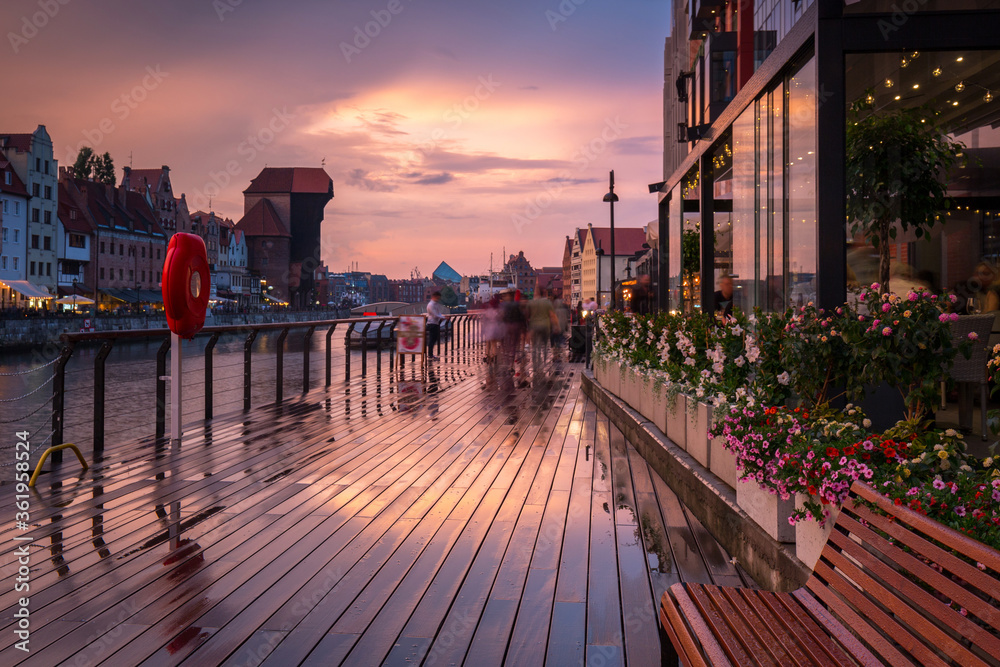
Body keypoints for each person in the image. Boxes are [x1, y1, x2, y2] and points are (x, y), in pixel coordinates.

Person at [527, 287, 557, 373]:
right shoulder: (547, 302)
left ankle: (536, 365)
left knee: (535, 347)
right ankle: (544, 363)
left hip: (534, 327)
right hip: (545, 326)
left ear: (536, 293)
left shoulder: (531, 303)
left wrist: (527, 330)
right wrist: (556, 326)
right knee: (545, 346)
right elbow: (552, 315)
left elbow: (526, 315)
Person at [425, 291, 446, 360]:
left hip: (435, 323)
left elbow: (438, 313)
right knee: (432, 339)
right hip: (432, 323)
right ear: (434, 297)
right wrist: (442, 317)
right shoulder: (431, 305)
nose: (438, 299)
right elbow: (435, 314)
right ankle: (430, 355)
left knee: (434, 338)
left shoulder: (435, 304)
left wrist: (442, 317)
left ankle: (430, 354)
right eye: (437, 298)